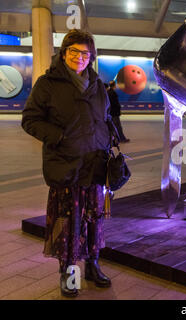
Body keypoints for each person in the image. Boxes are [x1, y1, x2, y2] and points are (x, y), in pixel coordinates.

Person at [21, 29, 112, 297]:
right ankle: (68, 271)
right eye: (74, 51)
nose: (80, 57)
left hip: (95, 164)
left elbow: (106, 117)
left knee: (94, 218)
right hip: (66, 164)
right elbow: (30, 120)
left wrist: (109, 137)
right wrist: (58, 137)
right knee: (67, 221)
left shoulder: (96, 84)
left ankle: (93, 266)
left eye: (86, 53)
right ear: (64, 53)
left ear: (91, 57)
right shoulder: (47, 83)